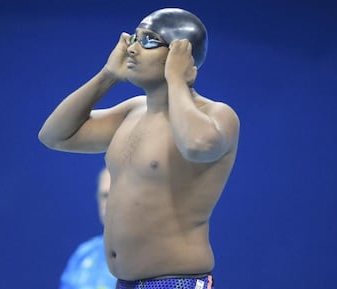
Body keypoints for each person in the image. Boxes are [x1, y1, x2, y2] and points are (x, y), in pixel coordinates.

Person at [39, 7, 240, 289]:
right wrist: (107, 75)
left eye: (148, 40)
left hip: (175, 283)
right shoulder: (131, 112)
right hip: (124, 282)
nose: (132, 48)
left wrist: (177, 81)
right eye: (134, 37)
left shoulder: (217, 115)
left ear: (180, 56)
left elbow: (196, 145)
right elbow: (54, 136)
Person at [60, 167, 116, 289]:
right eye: (105, 196)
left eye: (118, 195)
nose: (111, 203)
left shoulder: (159, 259)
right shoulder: (84, 254)